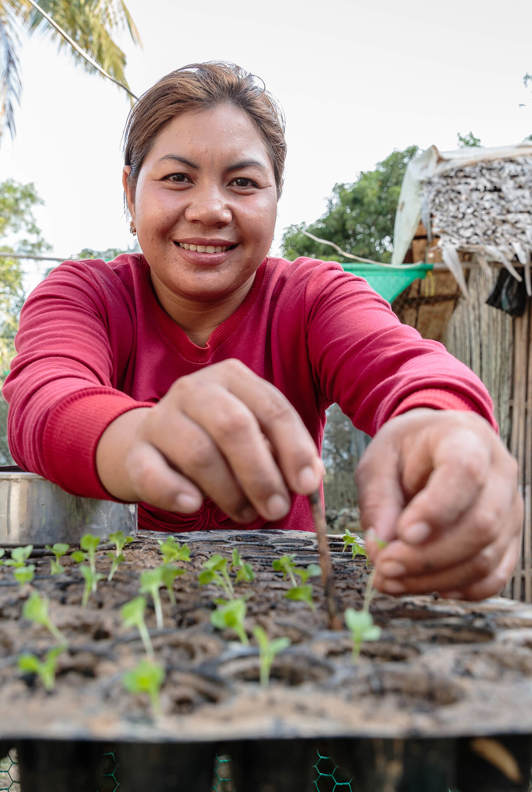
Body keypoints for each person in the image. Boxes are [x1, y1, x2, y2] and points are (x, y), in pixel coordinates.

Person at [3, 62, 522, 602]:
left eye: (244, 183)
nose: (210, 210)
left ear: (276, 200)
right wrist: (140, 436)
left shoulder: (313, 298)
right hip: (118, 608)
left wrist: (446, 427)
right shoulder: (83, 295)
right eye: (177, 178)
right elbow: (46, 400)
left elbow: (407, 367)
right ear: (130, 193)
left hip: (292, 613)